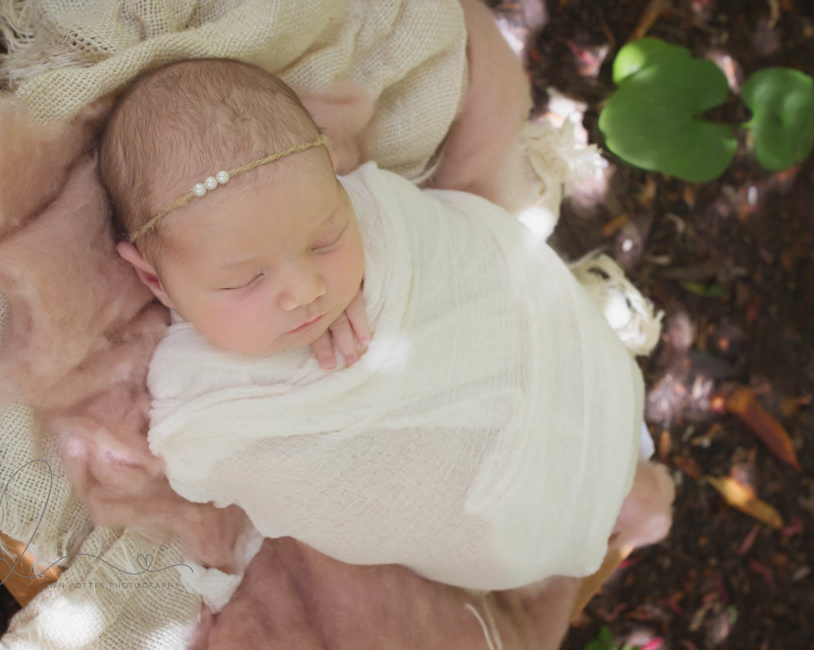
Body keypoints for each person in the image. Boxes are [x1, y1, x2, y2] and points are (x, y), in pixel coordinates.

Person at [99, 57, 668, 596]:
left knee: (583, 427)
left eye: (325, 239)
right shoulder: (194, 389)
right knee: (521, 503)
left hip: (535, 367)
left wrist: (373, 263)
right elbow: (210, 457)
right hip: (473, 490)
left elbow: (463, 252)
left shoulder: (376, 220)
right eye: (245, 281)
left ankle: (618, 469)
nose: (307, 290)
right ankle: (615, 488)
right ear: (154, 279)